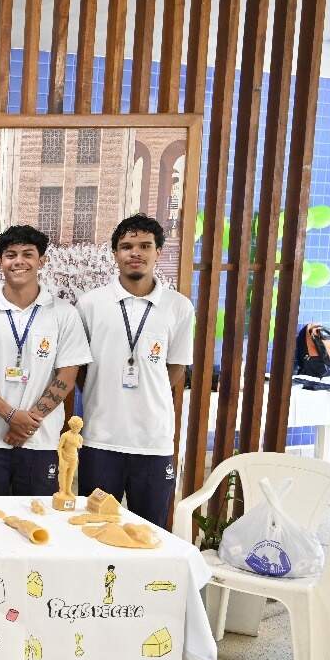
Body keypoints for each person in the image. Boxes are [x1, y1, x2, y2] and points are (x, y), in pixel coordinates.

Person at [0, 225, 92, 496]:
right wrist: (10, 415)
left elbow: (67, 375)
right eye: (11, 255)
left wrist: (26, 423)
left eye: (28, 254)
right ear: (0, 262)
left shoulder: (64, 314)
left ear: (42, 261)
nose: (19, 261)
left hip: (40, 442)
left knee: (37, 517)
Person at [76, 214, 193, 527]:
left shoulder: (178, 306)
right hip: (101, 438)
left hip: (153, 440)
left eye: (145, 246)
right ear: (115, 253)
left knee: (151, 533)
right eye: (127, 246)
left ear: (158, 252)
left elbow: (176, 368)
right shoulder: (90, 304)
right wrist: (103, 389)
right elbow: (80, 370)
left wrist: (146, 391)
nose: (135, 253)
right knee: (95, 530)